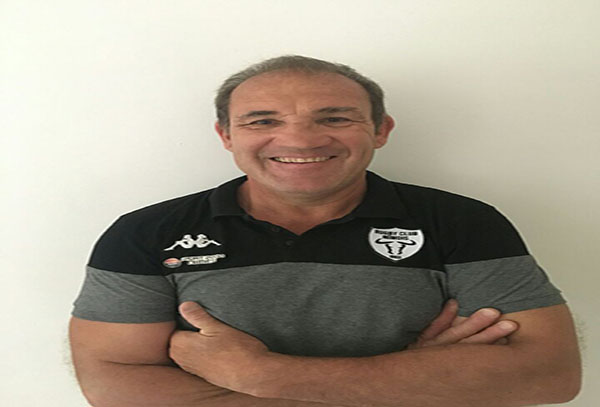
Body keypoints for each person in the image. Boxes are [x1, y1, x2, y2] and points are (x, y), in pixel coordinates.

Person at [69, 55, 581, 407]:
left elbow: (549, 375)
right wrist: (403, 383)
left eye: (334, 118)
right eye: (261, 121)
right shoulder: (147, 233)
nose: (299, 140)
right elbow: (114, 383)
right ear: (226, 135)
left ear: (380, 130)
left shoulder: (463, 223)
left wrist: (263, 375)